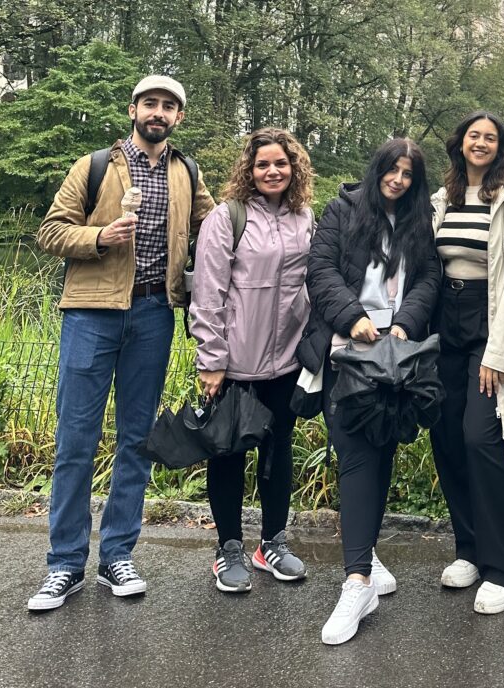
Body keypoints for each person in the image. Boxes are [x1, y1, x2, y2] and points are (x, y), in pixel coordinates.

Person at [29, 76, 216, 611]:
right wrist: (99, 236)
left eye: (169, 107)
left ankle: (116, 555)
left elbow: (217, 228)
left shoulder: (186, 172)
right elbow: (50, 232)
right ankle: (65, 564)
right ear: (133, 109)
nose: (159, 113)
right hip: (91, 312)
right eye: (151, 104)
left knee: (137, 439)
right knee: (75, 441)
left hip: (155, 313)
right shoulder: (94, 166)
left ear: (178, 117)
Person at [299, 139, 440, 644]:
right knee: (356, 455)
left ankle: (368, 556)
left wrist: (404, 323)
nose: (398, 179)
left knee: (381, 452)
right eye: (392, 169)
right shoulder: (341, 210)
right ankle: (356, 580)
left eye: (408, 173)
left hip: (398, 351)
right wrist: (355, 318)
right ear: (376, 168)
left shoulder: (420, 219)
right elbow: (321, 272)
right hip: (347, 348)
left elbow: (428, 278)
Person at [430, 111, 504, 615]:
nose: (480, 143)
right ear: (460, 144)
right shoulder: (443, 199)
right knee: (447, 436)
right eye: (473, 135)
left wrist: (497, 353)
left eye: (491, 138)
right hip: (444, 324)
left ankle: (502, 568)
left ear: (499, 148)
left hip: (489, 322)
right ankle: (469, 550)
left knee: (481, 438)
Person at [189, 128, 315, 593]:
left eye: (280, 163)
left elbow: (310, 283)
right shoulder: (228, 217)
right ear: (250, 169)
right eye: (263, 164)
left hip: (286, 360)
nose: (272, 171)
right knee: (229, 452)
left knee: (278, 449)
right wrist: (211, 359)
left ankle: (272, 544)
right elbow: (207, 292)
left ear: (293, 167)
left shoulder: (305, 217)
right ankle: (227, 548)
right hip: (235, 361)